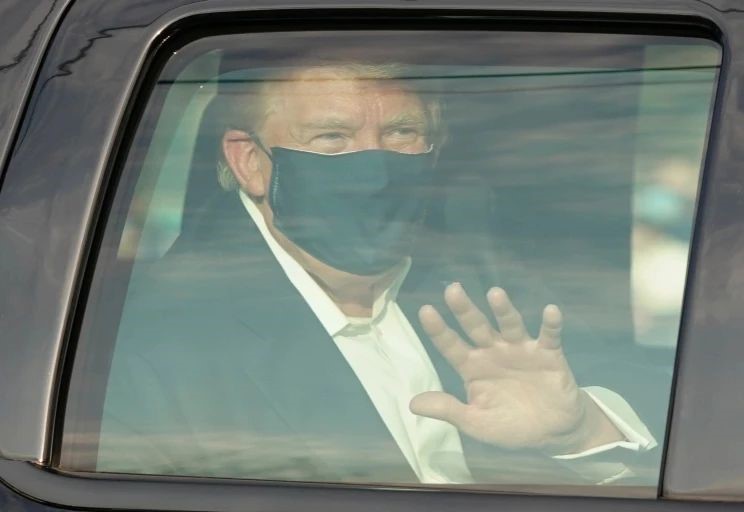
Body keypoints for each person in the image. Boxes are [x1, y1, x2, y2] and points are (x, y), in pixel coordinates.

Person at [96, 62, 656, 485]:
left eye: (400, 134)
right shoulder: (150, 346)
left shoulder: (486, 284)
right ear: (250, 161)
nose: (376, 169)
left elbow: (678, 419)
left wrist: (579, 432)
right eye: (331, 139)